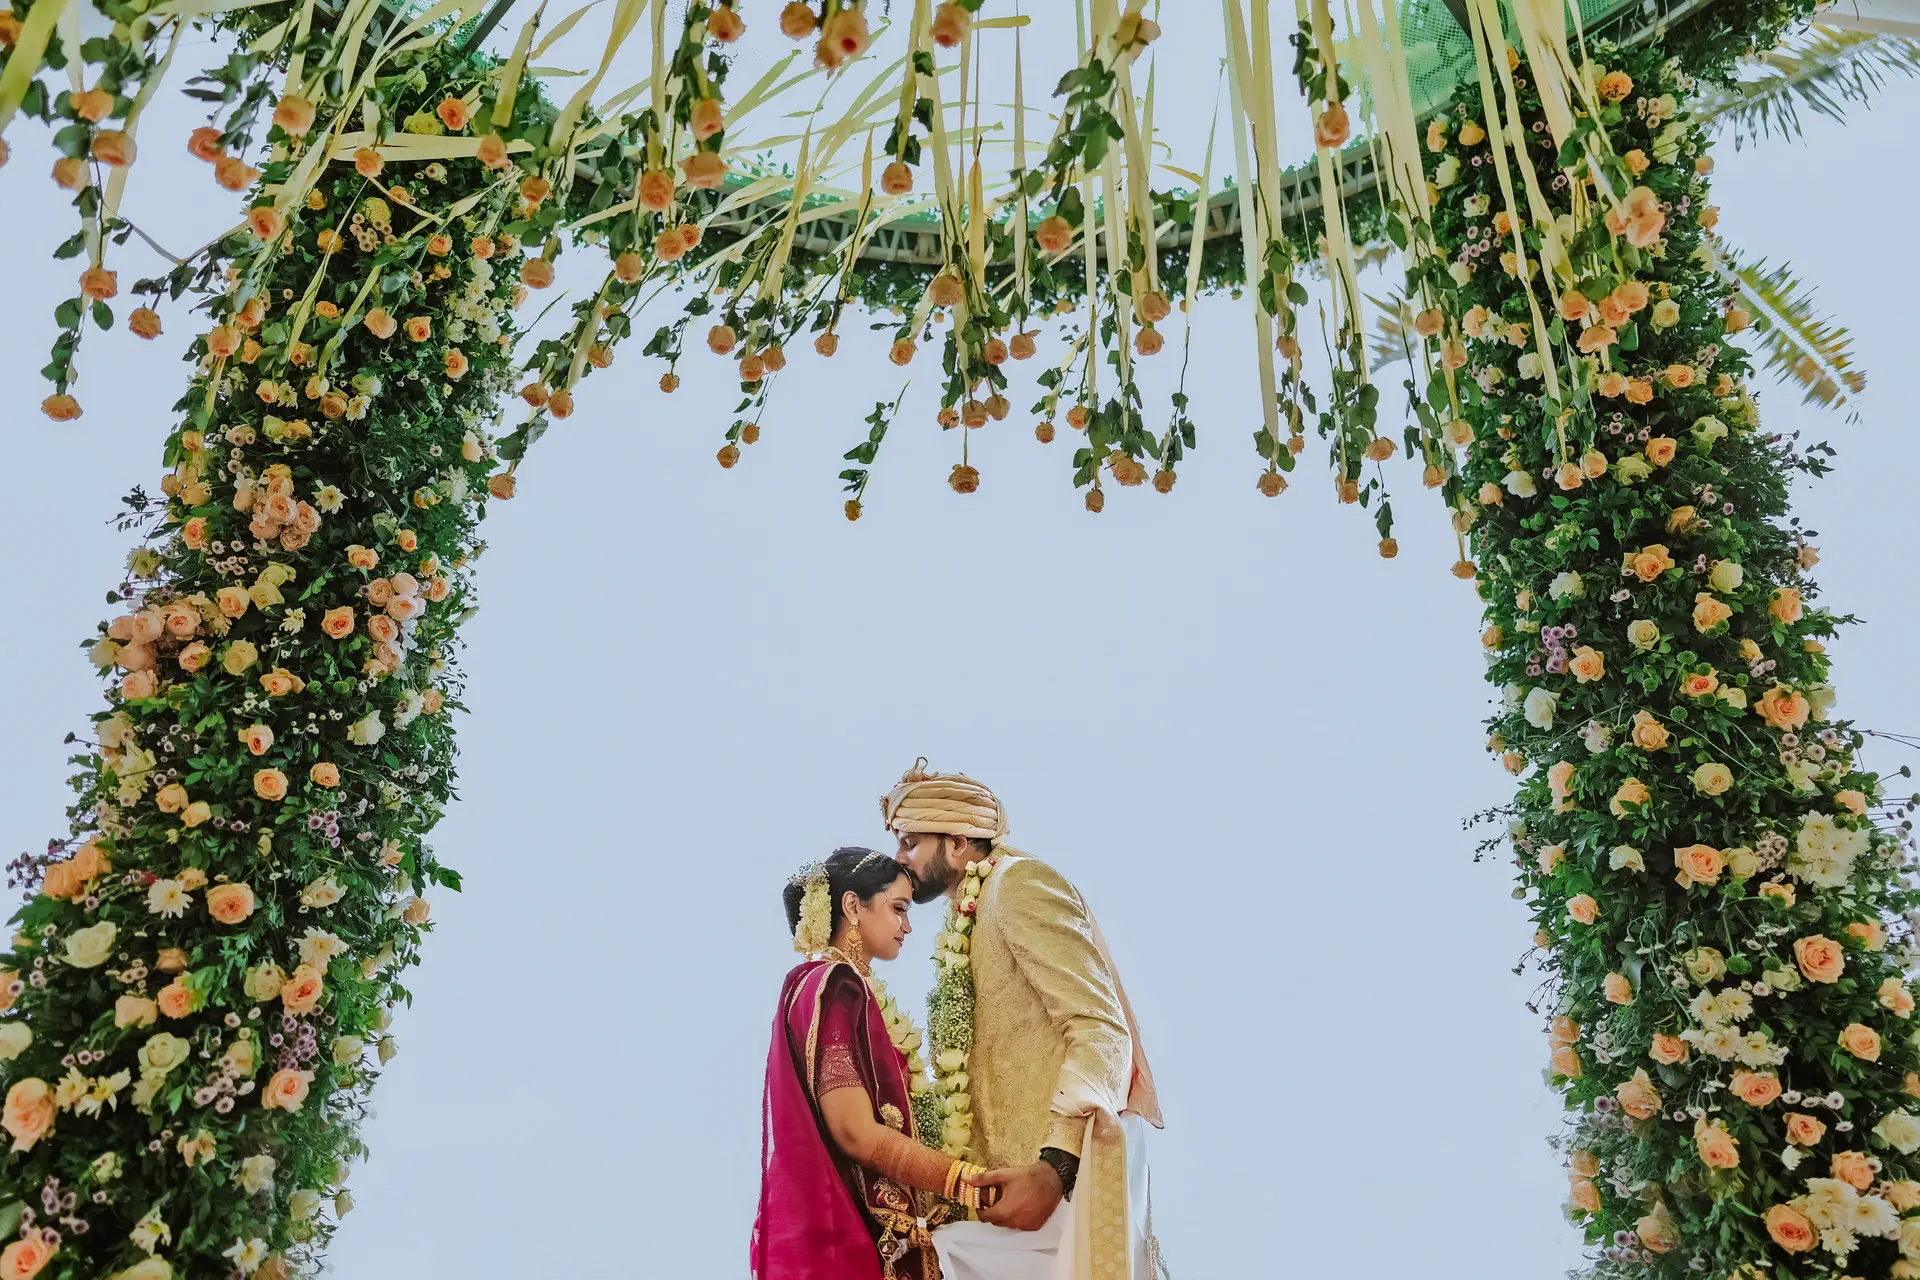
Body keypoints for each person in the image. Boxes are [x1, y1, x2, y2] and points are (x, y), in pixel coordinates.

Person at [883, 762, 1165, 1280]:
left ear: (960, 840)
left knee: (917, 1264)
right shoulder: (967, 916)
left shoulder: (1017, 885)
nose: (899, 861)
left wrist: (1052, 1169)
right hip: (1013, 1200)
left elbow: (1100, 1028)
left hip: (1063, 1185)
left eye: (910, 843)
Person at [751, 847, 999, 1280]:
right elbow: (853, 1130)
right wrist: (965, 1182)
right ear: (852, 905)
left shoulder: (832, 987)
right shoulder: (834, 984)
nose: (907, 926)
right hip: (865, 1241)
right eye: (898, 908)